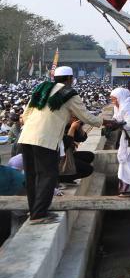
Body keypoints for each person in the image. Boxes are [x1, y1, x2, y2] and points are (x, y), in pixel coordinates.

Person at [18, 66, 111, 224]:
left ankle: (34, 211)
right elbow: (86, 116)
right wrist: (105, 122)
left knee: (32, 176)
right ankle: (39, 215)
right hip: (45, 140)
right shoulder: (69, 93)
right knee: (48, 175)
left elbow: (26, 115)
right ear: (70, 79)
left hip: (26, 136)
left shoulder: (41, 89)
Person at [58, 118, 96, 184]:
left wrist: (79, 127)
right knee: (88, 169)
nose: (74, 118)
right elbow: (66, 144)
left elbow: (82, 138)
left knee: (89, 156)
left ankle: (67, 176)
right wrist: (72, 128)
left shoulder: (68, 125)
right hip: (60, 159)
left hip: (68, 155)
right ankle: (61, 178)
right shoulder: (59, 125)